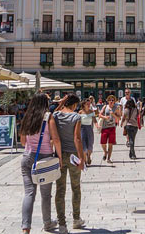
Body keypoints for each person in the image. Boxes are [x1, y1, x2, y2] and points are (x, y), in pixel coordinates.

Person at [18, 93, 61, 233]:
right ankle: (47, 223)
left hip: (27, 157)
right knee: (45, 194)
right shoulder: (48, 117)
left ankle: (26, 227)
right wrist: (59, 157)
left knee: (29, 193)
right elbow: (56, 139)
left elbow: (23, 142)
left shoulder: (27, 117)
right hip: (45, 158)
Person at [53, 94, 85, 233]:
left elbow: (51, 115)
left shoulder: (56, 115)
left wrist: (61, 103)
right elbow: (77, 138)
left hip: (59, 155)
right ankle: (76, 219)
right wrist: (82, 158)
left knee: (60, 189)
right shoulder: (76, 117)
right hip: (73, 156)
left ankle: (62, 223)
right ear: (74, 105)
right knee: (75, 187)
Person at [98, 95, 119, 163]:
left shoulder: (116, 108)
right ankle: (105, 152)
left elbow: (119, 118)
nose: (111, 101)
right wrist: (105, 117)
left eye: (112, 100)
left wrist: (113, 115)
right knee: (103, 143)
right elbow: (99, 115)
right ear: (108, 101)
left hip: (112, 127)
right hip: (104, 127)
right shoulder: (105, 107)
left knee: (110, 143)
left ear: (114, 101)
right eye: (110, 100)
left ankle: (109, 158)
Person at [78, 99, 95, 166]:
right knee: (84, 146)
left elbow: (94, 120)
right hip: (82, 129)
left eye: (89, 104)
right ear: (83, 105)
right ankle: (84, 160)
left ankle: (89, 156)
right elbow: (78, 122)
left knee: (90, 145)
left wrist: (97, 125)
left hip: (89, 129)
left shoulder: (91, 112)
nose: (88, 105)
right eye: (87, 104)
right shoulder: (80, 112)